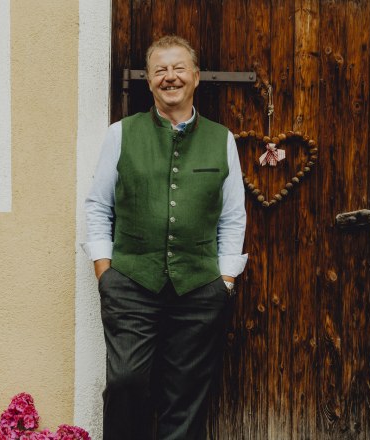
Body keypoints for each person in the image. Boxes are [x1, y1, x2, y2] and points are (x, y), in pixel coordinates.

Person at [82, 35, 248, 439]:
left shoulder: (221, 139)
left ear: (195, 77)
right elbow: (98, 204)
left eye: (178, 69)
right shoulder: (121, 134)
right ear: (149, 80)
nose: (169, 77)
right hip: (131, 283)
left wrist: (225, 280)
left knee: (185, 396)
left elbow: (232, 215)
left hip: (199, 287)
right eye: (160, 70)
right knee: (126, 383)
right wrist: (106, 272)